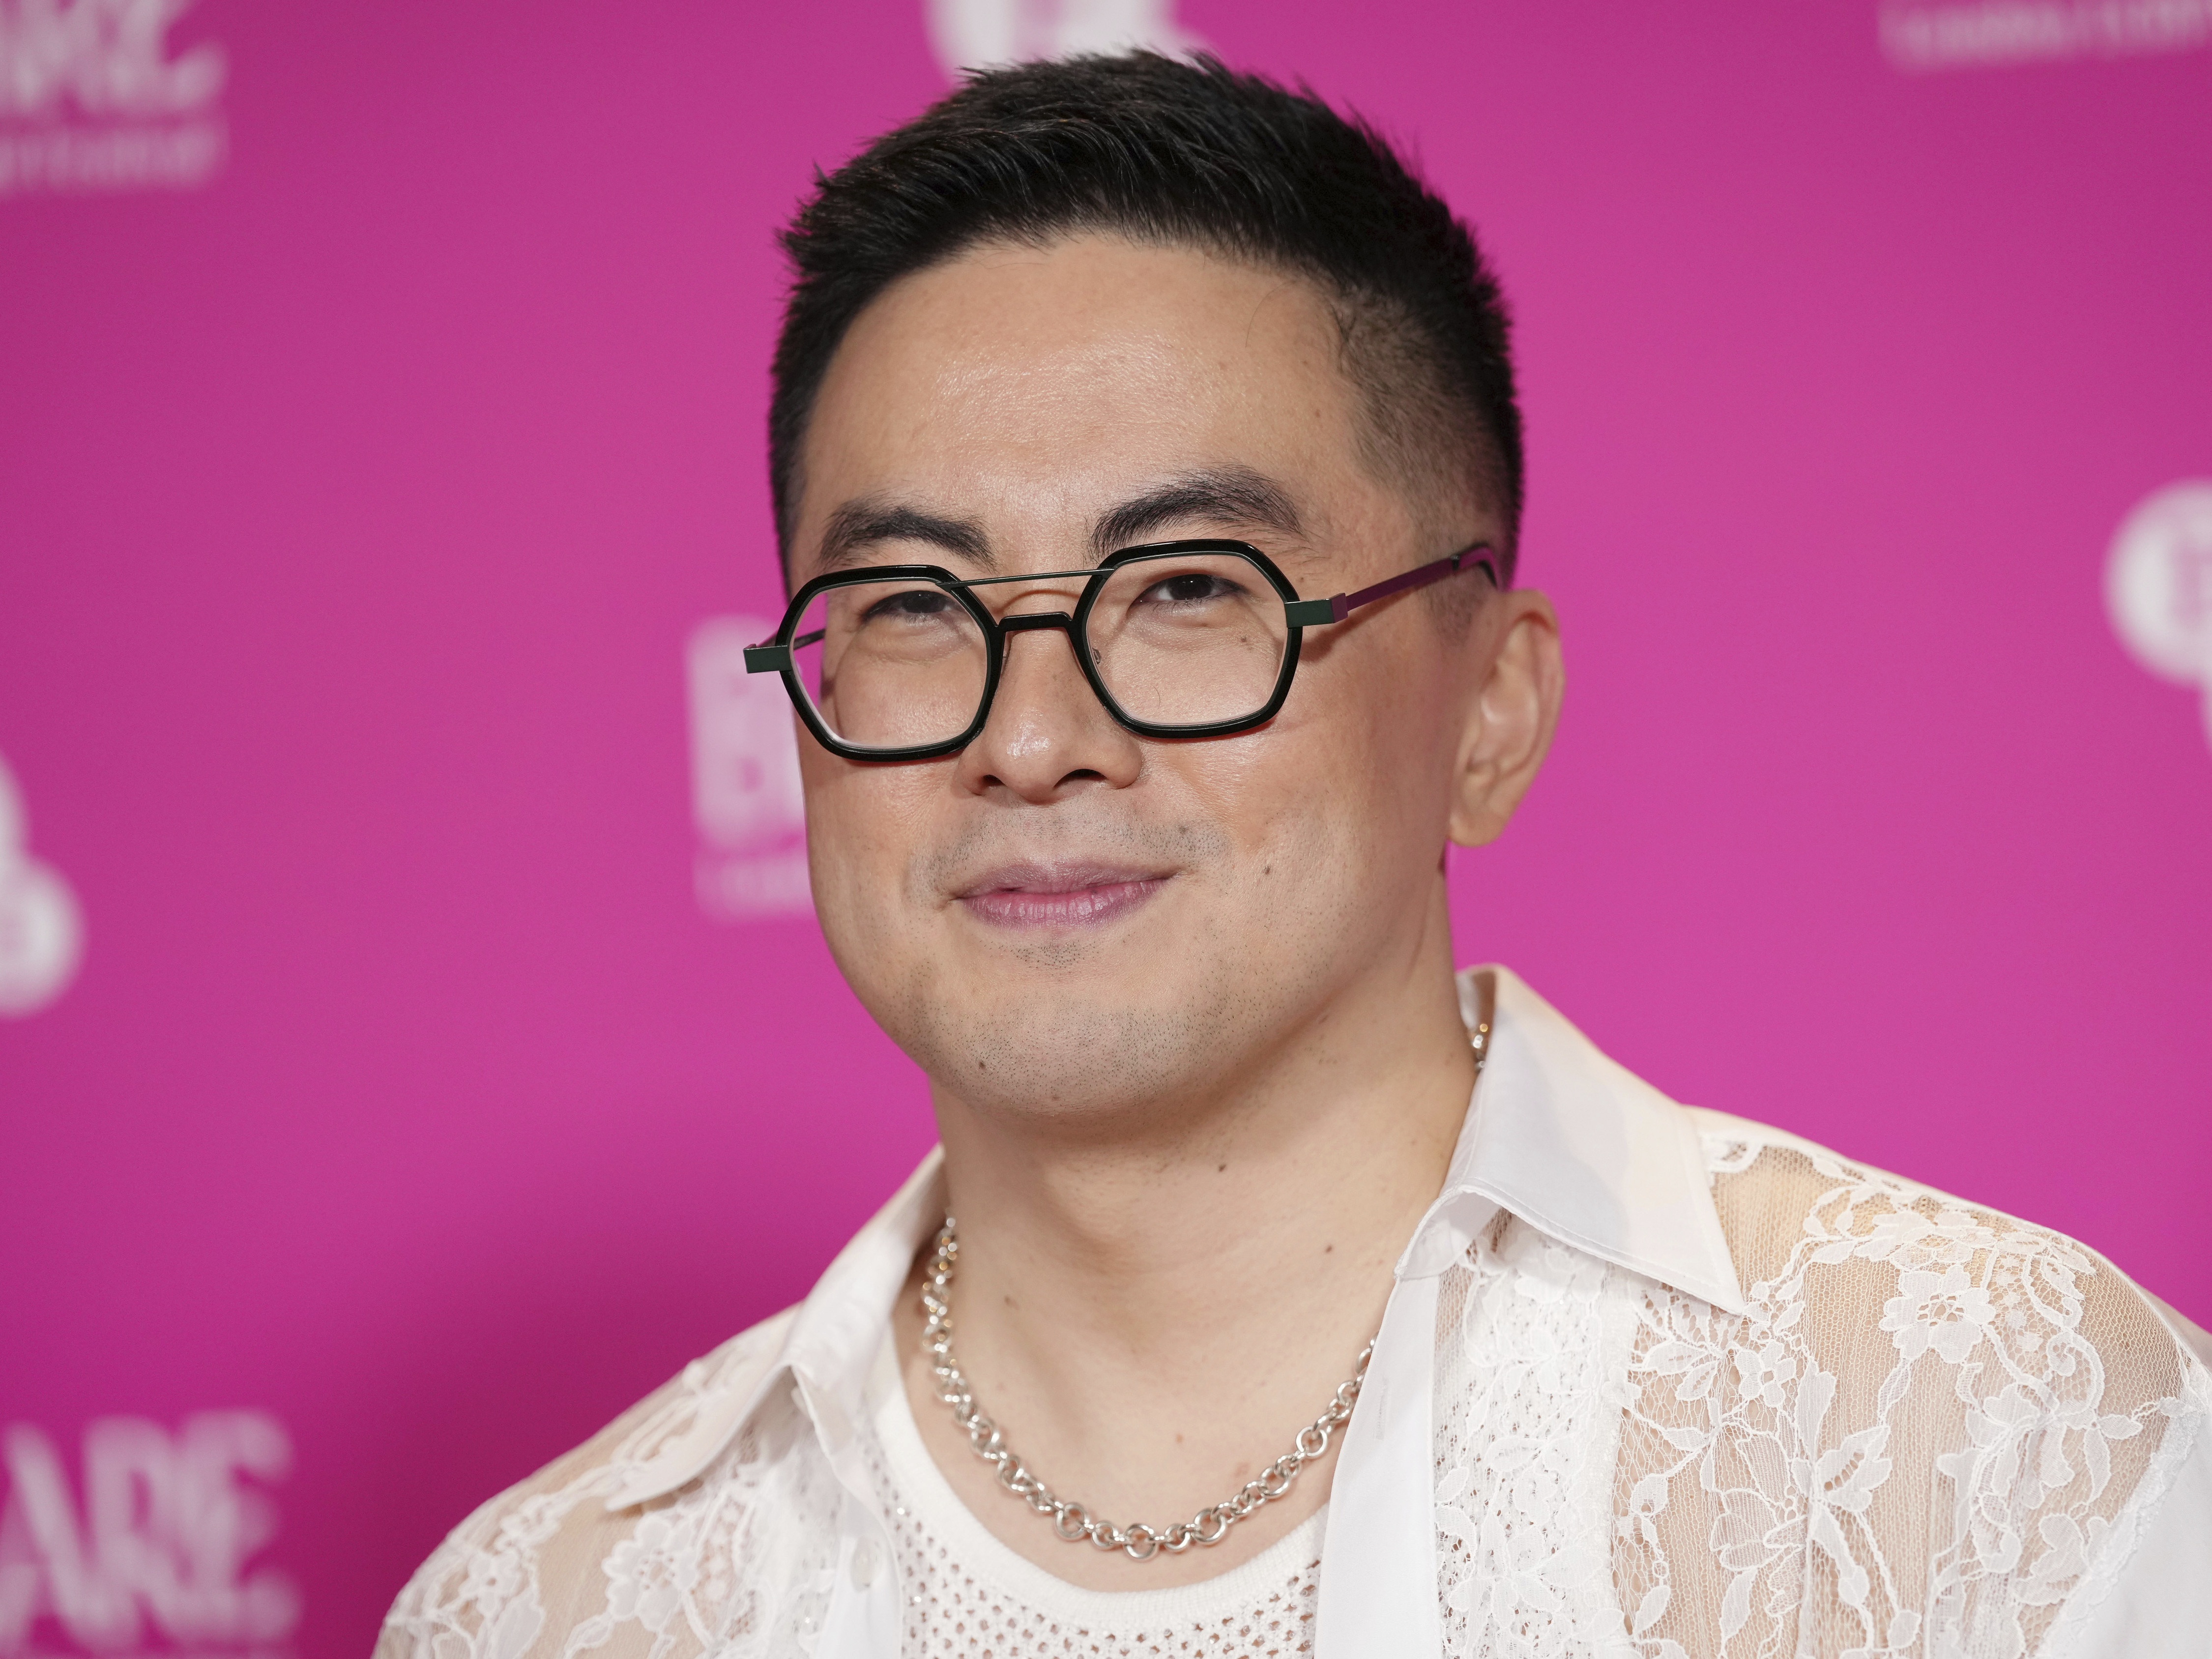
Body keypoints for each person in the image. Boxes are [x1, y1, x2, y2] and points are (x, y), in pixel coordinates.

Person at [377, 52, 2212, 1659]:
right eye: (916, 606)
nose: (1032, 740)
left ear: (1488, 709)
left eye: (1189, 590)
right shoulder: (556, 1607)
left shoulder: (1978, 1438)